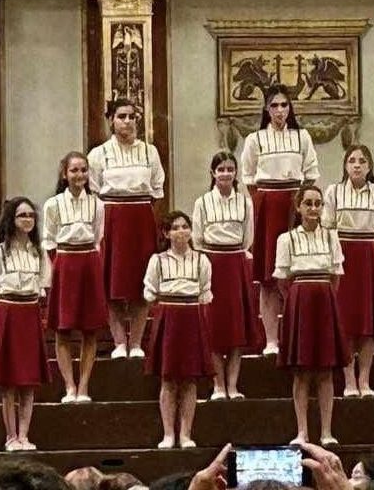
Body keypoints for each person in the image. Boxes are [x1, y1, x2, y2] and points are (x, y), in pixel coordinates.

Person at [239, 84, 321, 353]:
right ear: (266, 109)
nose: (279, 110)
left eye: (284, 105)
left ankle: (300, 335)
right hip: (267, 205)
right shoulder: (255, 139)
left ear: (290, 108)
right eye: (274, 105)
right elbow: (249, 178)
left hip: (295, 205)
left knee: (296, 273)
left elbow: (311, 174)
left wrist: (301, 206)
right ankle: (272, 340)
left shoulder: (302, 137)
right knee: (268, 278)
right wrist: (264, 204)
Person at [87, 98, 166, 359]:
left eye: (132, 117)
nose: (128, 122)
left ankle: (137, 342)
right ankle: (120, 341)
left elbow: (157, 189)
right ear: (111, 120)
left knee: (141, 282)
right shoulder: (98, 154)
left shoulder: (149, 152)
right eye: (122, 116)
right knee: (112, 283)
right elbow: (94, 191)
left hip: (141, 218)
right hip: (111, 219)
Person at [276, 184, 347, 445]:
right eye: (308, 203)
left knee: (326, 370)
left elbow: (336, 276)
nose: (313, 208)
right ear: (298, 207)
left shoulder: (331, 237)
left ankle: (327, 431)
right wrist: (298, 299)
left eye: (318, 203)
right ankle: (302, 431)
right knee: (301, 371)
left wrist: (324, 296)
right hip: (299, 303)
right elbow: (282, 281)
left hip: (325, 302)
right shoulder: (286, 239)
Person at [0, 197, 49, 450]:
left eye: (31, 215)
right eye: (22, 215)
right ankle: (10, 436)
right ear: (11, 219)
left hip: (30, 313)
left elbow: (43, 284)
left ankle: (24, 435)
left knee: (29, 381)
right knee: (8, 382)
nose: (27, 220)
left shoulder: (38, 252)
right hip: (8, 312)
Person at [190, 150, 257, 399]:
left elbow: (248, 237)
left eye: (230, 169)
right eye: (221, 170)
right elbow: (197, 238)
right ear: (212, 173)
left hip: (236, 264)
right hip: (212, 263)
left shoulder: (245, 202)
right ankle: (218, 385)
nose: (225, 174)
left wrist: (237, 254)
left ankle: (233, 385)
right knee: (215, 327)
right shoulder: (202, 202)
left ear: (236, 172)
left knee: (237, 328)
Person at [43, 152, 109, 404]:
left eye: (83, 170)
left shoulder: (97, 204)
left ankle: (84, 386)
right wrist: (57, 269)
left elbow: (98, 237)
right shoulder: (53, 204)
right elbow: (49, 240)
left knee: (89, 330)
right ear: (64, 174)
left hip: (89, 262)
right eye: (74, 170)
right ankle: (69, 385)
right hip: (65, 262)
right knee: (63, 328)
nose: (79, 175)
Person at [328, 144, 374, 397]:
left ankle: (364, 380)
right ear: (345, 165)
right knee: (345, 323)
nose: (357, 165)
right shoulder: (334, 192)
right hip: (342, 258)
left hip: (368, 257)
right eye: (352, 160)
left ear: (370, 166)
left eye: (362, 161)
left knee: (367, 325)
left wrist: (368, 250)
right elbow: (328, 227)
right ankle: (349, 381)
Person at [145, 211, 214, 449]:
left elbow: (205, 292)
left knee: (189, 381)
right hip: (168, 317)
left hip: (192, 317)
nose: (181, 231)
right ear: (166, 233)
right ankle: (168, 434)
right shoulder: (157, 260)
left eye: (185, 226)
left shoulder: (202, 260)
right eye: (175, 228)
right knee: (168, 380)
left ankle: (185, 434)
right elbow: (149, 291)